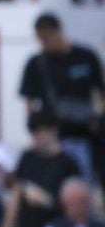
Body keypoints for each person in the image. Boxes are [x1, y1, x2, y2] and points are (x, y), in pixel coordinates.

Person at [18, 12, 103, 180]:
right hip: (54, 137)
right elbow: (29, 101)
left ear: (58, 32)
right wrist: (36, 132)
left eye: (46, 38)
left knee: (85, 183)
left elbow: (101, 90)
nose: (43, 44)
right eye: (40, 39)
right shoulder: (36, 63)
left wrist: (99, 120)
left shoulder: (86, 57)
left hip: (85, 134)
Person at [4, 112, 83, 227]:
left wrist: (46, 200)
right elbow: (16, 194)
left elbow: (77, 205)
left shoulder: (69, 163)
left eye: (40, 133)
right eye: (34, 134)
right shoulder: (27, 158)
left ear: (53, 131)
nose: (37, 139)